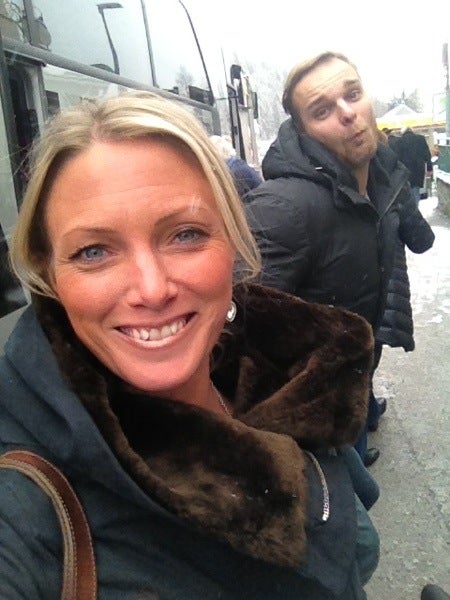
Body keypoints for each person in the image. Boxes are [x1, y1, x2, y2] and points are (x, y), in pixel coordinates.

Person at [0, 91, 379, 599]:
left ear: (232, 241)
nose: (152, 288)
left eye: (184, 235)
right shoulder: (24, 498)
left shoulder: (297, 372)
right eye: (93, 251)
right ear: (50, 275)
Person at [244, 51, 433, 468]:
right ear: (304, 132)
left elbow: (418, 241)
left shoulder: (380, 176)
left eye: (353, 93)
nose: (348, 113)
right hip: (311, 426)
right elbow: (236, 339)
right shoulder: (283, 207)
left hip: (356, 381)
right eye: (322, 110)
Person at [369, 131, 435, 431]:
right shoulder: (393, 182)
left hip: (340, 298)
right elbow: (422, 239)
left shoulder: (324, 179)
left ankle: (368, 415)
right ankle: (364, 423)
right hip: (384, 293)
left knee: (354, 372)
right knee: (365, 366)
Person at [395, 126, 433, 204]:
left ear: (403, 133)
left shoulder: (399, 141)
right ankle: (416, 207)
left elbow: (397, 158)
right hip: (418, 170)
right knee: (416, 190)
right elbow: (427, 155)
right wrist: (429, 168)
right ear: (412, 131)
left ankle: (409, 207)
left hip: (405, 170)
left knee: (407, 191)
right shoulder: (420, 139)